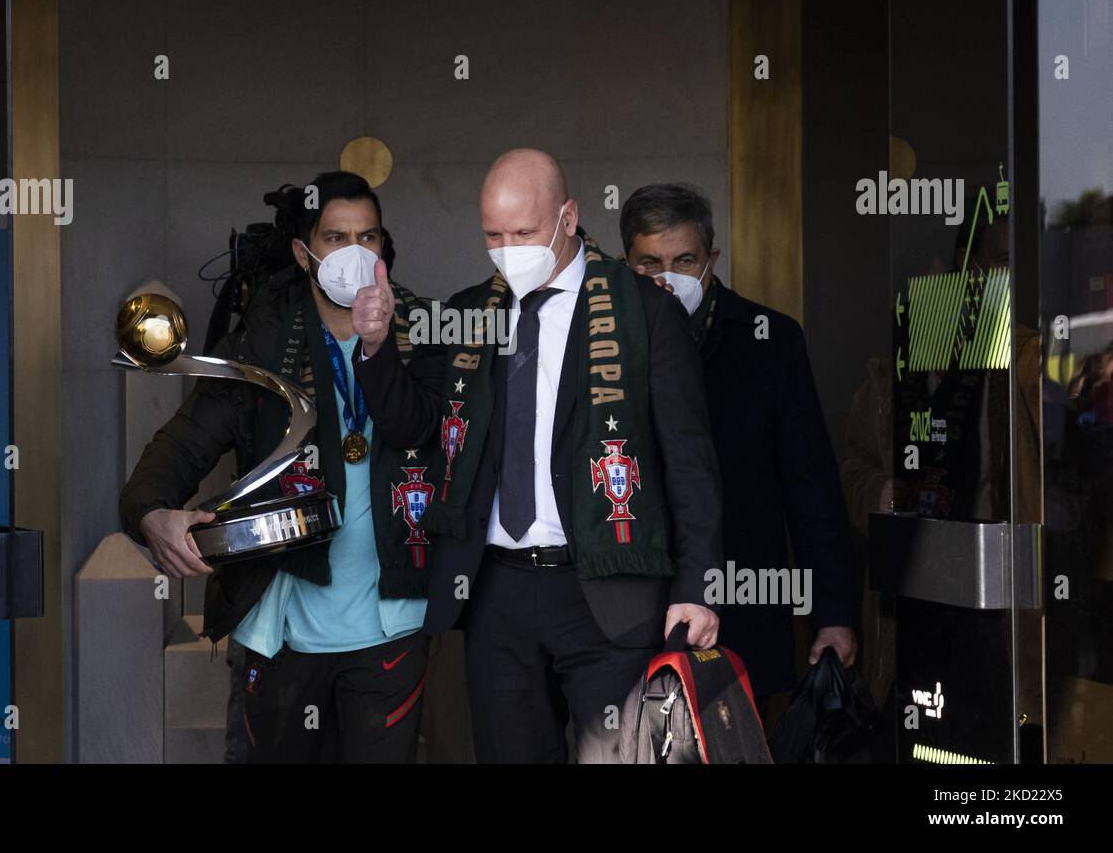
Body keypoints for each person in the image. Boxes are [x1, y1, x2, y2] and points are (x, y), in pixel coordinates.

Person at [352, 149, 722, 763]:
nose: (507, 248)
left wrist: (698, 584)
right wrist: (376, 346)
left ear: (569, 217)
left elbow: (689, 461)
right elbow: (412, 427)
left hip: (608, 589)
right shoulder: (472, 313)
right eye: (493, 234)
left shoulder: (645, 311)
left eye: (523, 233)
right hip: (496, 589)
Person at [119, 171, 439, 763]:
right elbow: (186, 443)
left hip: (392, 625)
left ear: (384, 249)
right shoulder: (265, 342)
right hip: (282, 629)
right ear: (303, 252)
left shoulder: (421, 330)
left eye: (367, 238)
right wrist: (149, 514)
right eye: (335, 237)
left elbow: (432, 432)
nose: (353, 253)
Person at [620, 182, 856, 709]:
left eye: (684, 259)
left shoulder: (770, 341)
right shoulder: (602, 348)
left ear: (712, 259)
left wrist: (834, 613)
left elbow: (811, 487)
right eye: (648, 263)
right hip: (630, 613)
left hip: (746, 599)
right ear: (624, 265)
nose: (667, 277)